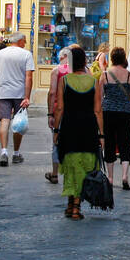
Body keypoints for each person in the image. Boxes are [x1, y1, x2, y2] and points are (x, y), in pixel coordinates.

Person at [54, 46, 103, 220]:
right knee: (84, 165)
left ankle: (70, 204)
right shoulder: (93, 82)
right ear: (85, 62)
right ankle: (76, 206)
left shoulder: (64, 81)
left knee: (70, 164)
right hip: (88, 128)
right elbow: (98, 110)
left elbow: (59, 107)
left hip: (69, 127)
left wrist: (56, 129)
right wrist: (102, 135)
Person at [99, 46, 130, 191]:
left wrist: (97, 115)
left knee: (110, 143)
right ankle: (125, 176)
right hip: (125, 113)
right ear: (124, 58)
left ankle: (111, 178)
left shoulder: (105, 75)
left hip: (108, 113)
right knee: (125, 143)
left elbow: (99, 98)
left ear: (111, 58)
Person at [0, 33, 35, 167]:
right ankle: (16, 153)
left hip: (3, 92)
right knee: (18, 123)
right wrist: (27, 96)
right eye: (25, 41)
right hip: (19, 93)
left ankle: (4, 152)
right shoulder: (26, 55)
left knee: (5, 121)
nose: (25, 44)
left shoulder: (0, 54)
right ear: (20, 41)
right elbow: (29, 77)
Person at [45, 44, 77, 185]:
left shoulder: (57, 71)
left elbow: (52, 93)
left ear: (64, 57)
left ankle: (55, 173)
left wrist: (50, 114)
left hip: (60, 111)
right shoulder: (82, 71)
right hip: (77, 112)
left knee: (57, 141)